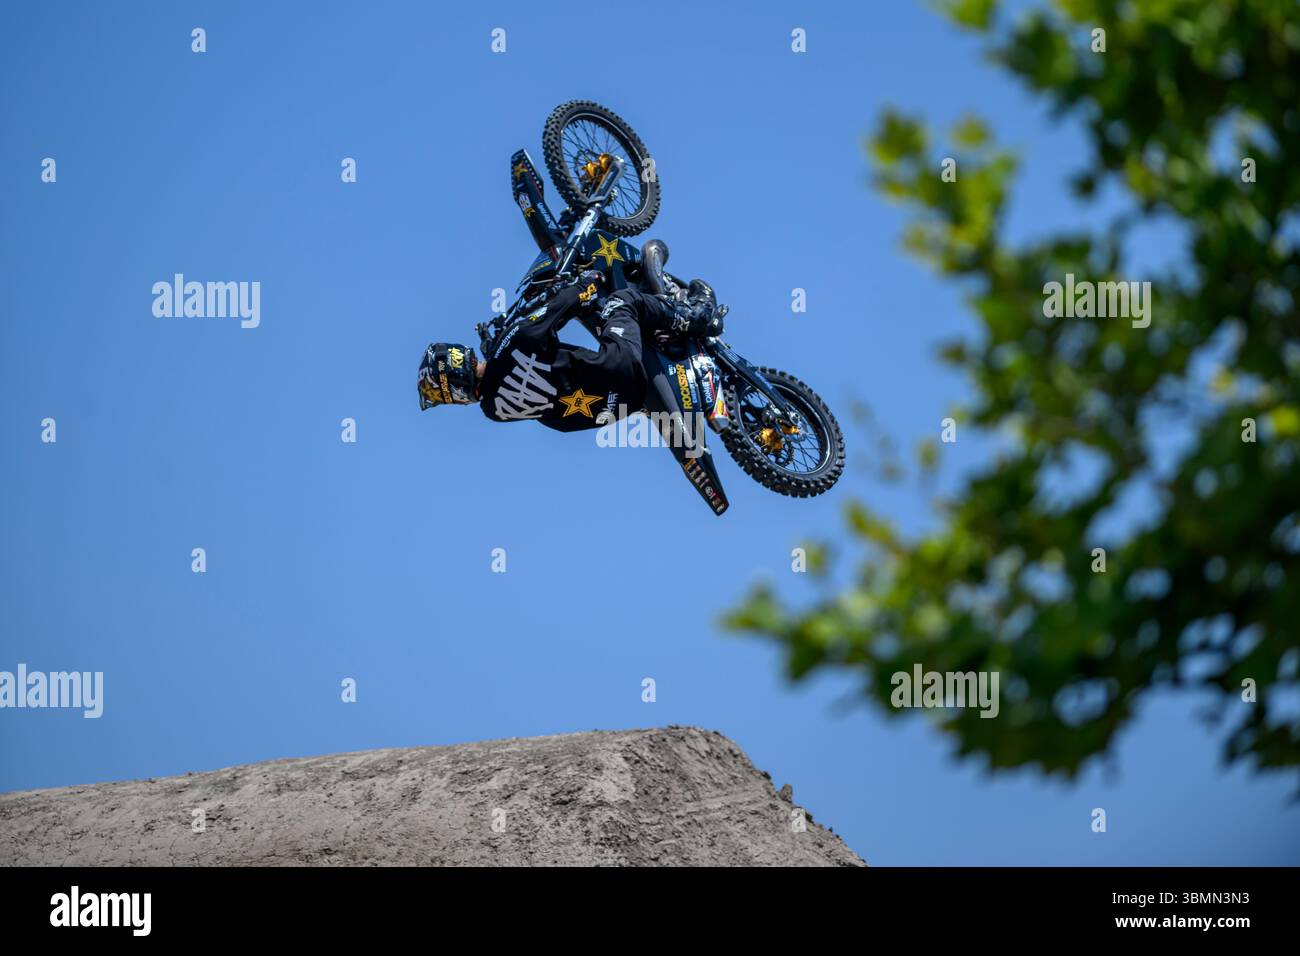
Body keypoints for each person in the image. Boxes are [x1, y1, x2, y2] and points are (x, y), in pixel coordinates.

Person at [418, 269, 721, 432]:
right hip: (619, 368)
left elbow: (504, 376)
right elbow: (559, 308)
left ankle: (669, 352)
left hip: (618, 407)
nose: (457, 400)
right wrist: (585, 284)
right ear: (457, 357)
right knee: (624, 301)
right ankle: (694, 314)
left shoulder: (493, 412)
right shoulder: (515, 342)